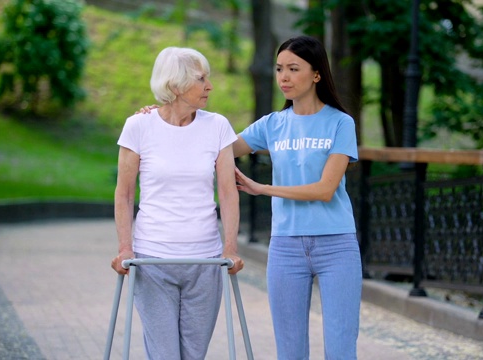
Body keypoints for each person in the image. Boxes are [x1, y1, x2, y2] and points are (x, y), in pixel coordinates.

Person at [138, 35, 362, 359]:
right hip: (286, 247)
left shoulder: (340, 123)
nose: (283, 77)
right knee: (289, 350)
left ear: (316, 74)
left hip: (336, 244)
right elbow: (216, 145)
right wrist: (161, 117)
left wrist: (263, 188)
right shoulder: (272, 125)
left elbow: (326, 189)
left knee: (341, 348)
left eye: (293, 69)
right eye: (279, 68)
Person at [112, 46, 244, 360]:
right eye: (201, 79)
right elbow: (124, 194)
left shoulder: (217, 126)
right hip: (153, 260)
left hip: (206, 261)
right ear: (175, 85)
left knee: (194, 354)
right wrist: (124, 248)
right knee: (165, 355)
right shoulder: (139, 126)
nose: (209, 86)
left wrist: (230, 248)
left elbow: (227, 193)